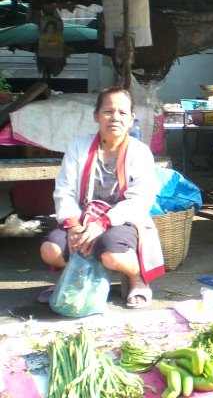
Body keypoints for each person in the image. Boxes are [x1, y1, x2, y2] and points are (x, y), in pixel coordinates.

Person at [39, 87, 165, 308]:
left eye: (122, 113)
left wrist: (103, 223)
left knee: (111, 255)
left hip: (122, 221)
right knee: (50, 250)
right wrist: (73, 225)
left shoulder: (139, 152)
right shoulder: (79, 147)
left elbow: (141, 199)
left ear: (131, 118)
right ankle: (80, 277)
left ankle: (137, 280)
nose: (115, 117)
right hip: (82, 218)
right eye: (108, 111)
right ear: (96, 116)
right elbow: (64, 189)